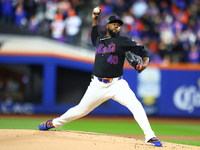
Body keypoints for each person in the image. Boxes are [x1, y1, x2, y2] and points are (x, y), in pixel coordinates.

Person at [38, 7, 162, 147]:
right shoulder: (99, 39)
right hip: (97, 84)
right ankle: (53, 123)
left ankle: (150, 136)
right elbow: (94, 32)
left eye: (119, 24)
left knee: (136, 105)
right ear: (108, 25)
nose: (117, 26)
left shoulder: (123, 41)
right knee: (80, 110)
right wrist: (95, 18)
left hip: (116, 85)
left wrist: (144, 64)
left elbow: (144, 52)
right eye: (114, 23)